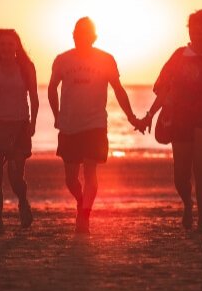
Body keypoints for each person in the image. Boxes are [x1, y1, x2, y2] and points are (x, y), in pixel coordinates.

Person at [140, 10, 202, 232]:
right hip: (180, 119)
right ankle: (188, 204)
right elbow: (164, 90)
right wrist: (150, 114)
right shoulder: (179, 56)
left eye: (200, 28)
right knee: (180, 174)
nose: (195, 33)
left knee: (201, 167)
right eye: (192, 28)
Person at [48, 17, 143, 234]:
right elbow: (52, 88)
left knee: (90, 173)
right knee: (71, 179)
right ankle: (81, 202)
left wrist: (130, 116)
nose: (80, 38)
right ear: (73, 36)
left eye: (85, 34)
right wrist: (57, 115)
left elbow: (118, 89)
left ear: (94, 37)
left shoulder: (106, 60)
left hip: (95, 124)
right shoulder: (62, 60)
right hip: (69, 126)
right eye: (77, 34)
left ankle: (85, 214)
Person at [0, 29, 39, 234]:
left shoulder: (26, 67)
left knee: (15, 175)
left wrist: (33, 123)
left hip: (19, 124)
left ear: (17, 47)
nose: (6, 48)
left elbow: (34, 97)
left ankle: (23, 201)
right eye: (2, 44)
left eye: (10, 44)